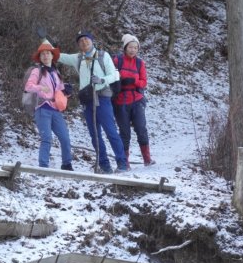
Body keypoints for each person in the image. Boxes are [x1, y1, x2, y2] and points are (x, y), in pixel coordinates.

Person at [58, 30, 128, 174]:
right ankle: (104, 165)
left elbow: (114, 75)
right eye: (81, 40)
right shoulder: (78, 58)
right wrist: (46, 43)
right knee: (94, 135)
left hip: (102, 97)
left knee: (110, 131)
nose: (84, 42)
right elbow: (59, 56)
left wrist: (102, 80)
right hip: (87, 100)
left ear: (92, 40)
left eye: (86, 39)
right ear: (78, 44)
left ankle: (122, 162)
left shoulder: (103, 56)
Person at [25, 39, 74, 171]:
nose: (46, 56)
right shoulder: (37, 71)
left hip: (56, 109)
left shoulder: (55, 72)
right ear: (40, 57)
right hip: (42, 108)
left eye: (48, 53)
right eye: (43, 54)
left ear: (52, 56)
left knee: (64, 137)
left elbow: (59, 90)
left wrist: (67, 90)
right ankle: (43, 166)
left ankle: (67, 164)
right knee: (46, 138)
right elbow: (28, 87)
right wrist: (40, 88)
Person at [112, 34, 155, 167]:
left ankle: (147, 159)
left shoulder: (139, 63)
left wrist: (134, 81)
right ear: (125, 47)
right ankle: (125, 162)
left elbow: (144, 82)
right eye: (130, 47)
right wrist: (121, 79)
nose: (133, 50)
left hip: (137, 100)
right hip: (120, 101)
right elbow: (111, 76)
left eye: (136, 48)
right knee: (124, 132)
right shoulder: (116, 60)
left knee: (141, 129)